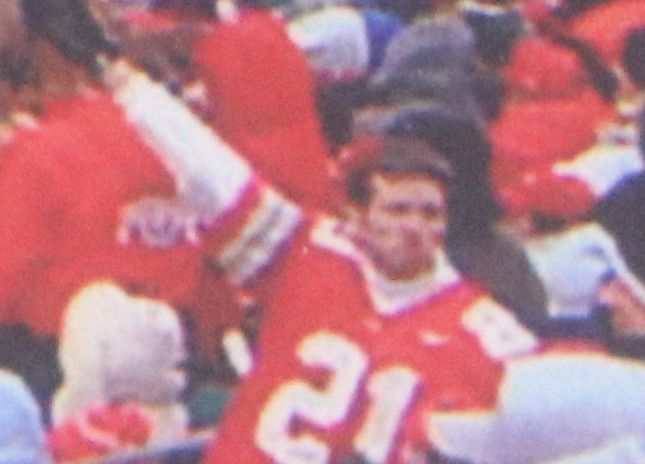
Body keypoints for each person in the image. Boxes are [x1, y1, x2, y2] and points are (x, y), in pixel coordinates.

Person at [102, 69, 537, 464]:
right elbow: (216, 179)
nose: (415, 227)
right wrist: (132, 91)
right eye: (398, 211)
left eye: (430, 214)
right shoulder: (310, 252)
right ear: (356, 216)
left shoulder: (483, 328)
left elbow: (556, 401)